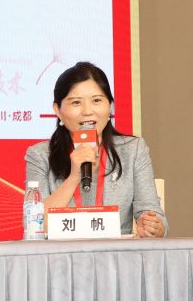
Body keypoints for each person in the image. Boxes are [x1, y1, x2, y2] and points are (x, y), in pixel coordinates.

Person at [24, 62, 167, 237]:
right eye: (76, 102)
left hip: (116, 253)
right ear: (58, 110)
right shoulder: (39, 156)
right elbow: (35, 226)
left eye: (97, 100)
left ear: (110, 106)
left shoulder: (133, 150)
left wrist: (153, 226)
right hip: (61, 254)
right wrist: (74, 177)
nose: (87, 111)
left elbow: (155, 216)